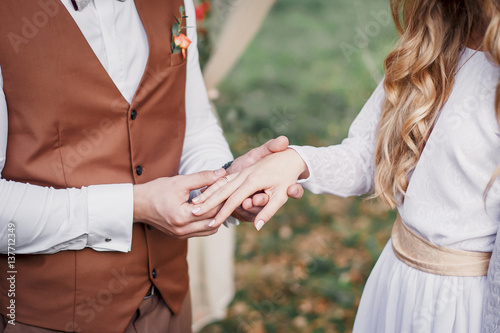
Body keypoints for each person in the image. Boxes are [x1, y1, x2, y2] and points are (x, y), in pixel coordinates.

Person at [192, 0, 500, 331]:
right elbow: (367, 156)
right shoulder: (434, 41)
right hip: (394, 280)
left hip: (464, 303)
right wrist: (295, 161)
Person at [0, 0, 302, 332]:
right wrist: (135, 205)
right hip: (46, 316)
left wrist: (224, 182)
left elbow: (193, 124)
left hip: (169, 306)